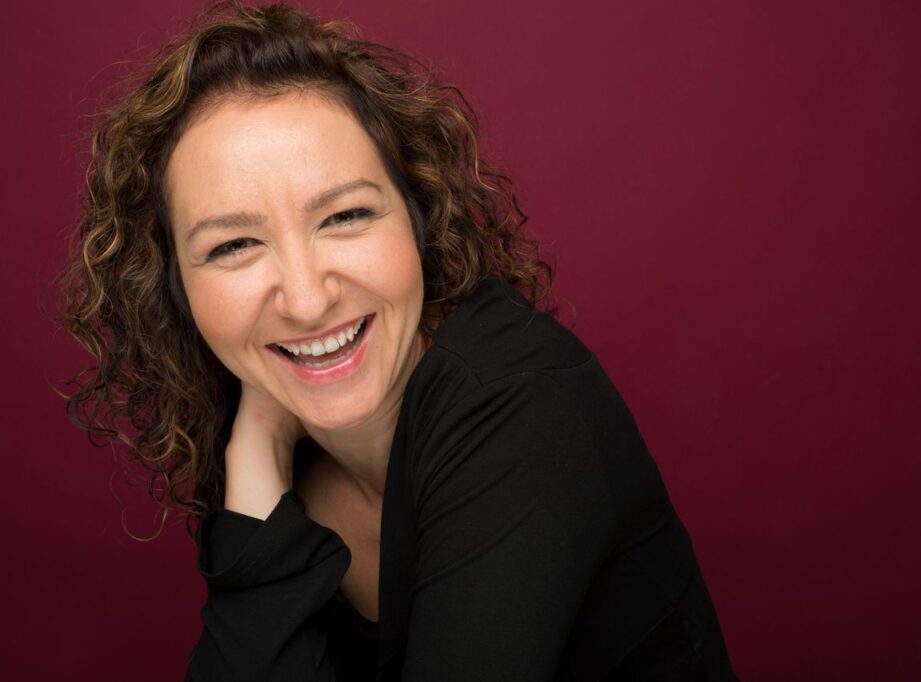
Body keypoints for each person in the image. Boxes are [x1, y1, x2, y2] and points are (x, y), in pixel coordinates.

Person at [61, 2, 737, 679]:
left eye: (345, 216)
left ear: (417, 216)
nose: (306, 300)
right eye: (234, 245)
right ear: (175, 289)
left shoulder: (519, 404)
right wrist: (255, 460)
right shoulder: (267, 428)